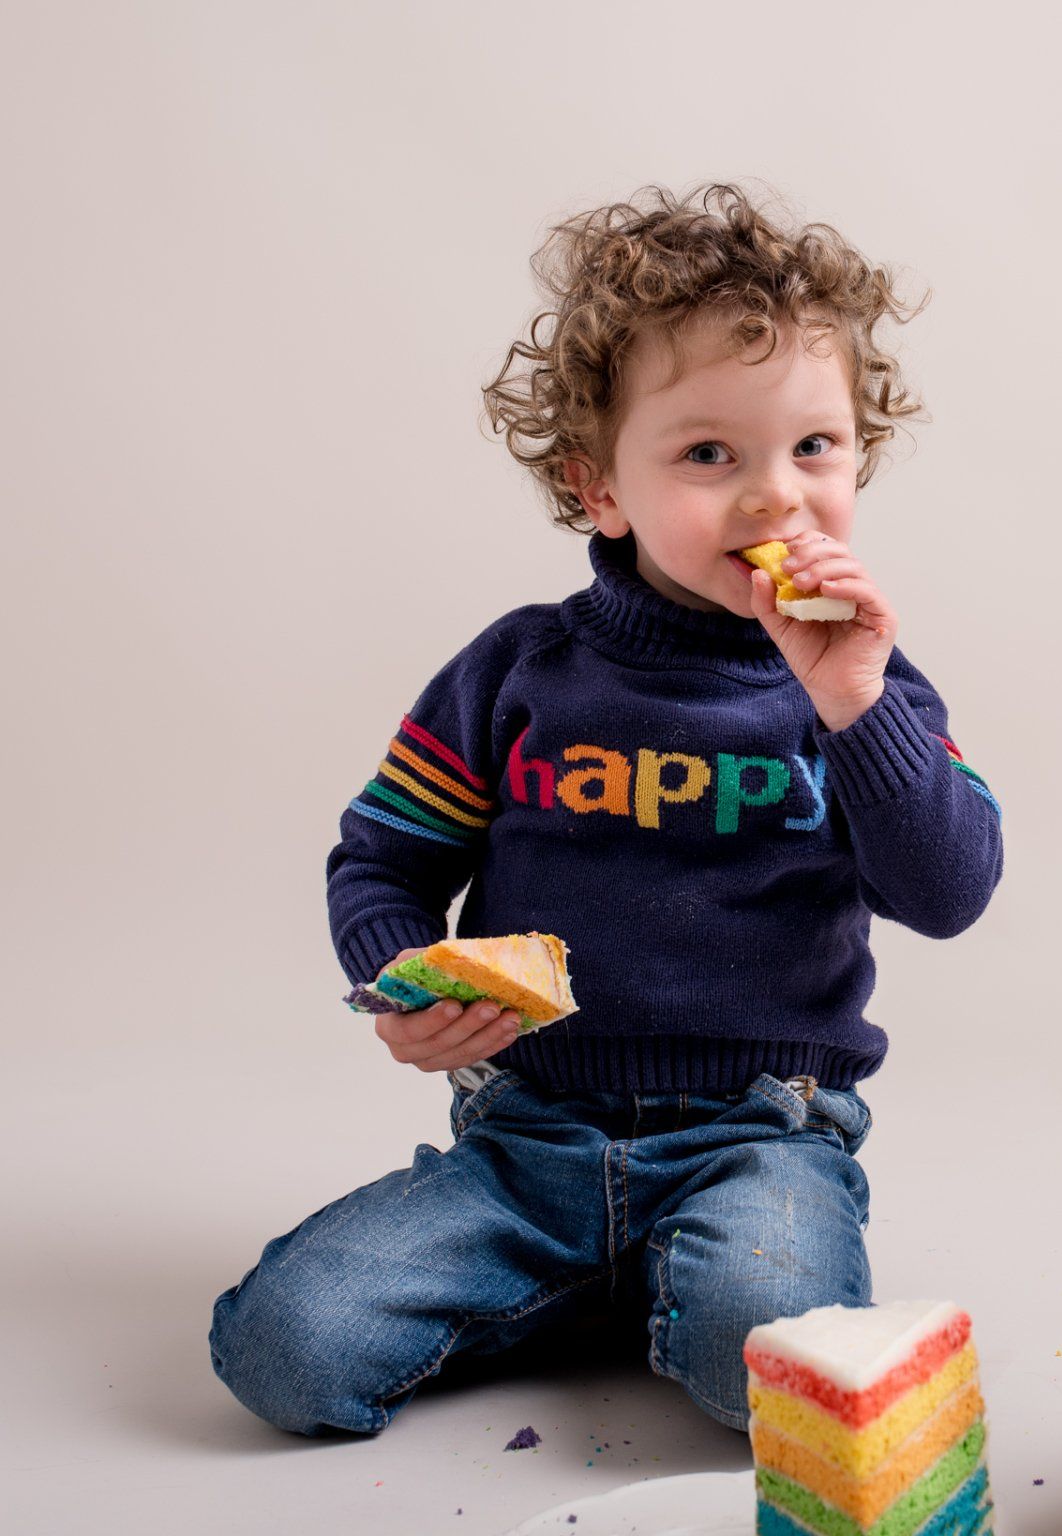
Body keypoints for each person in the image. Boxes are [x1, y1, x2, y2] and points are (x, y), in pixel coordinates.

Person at [208, 182, 1004, 1436]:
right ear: (600, 489)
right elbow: (381, 861)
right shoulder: (520, 673)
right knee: (286, 1349)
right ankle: (594, 1274)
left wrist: (854, 705)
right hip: (528, 1139)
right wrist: (403, 979)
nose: (772, 498)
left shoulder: (863, 681)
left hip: (761, 1138)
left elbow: (950, 895)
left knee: (782, 1368)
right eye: (707, 455)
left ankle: (654, 1282)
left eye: (814, 447)